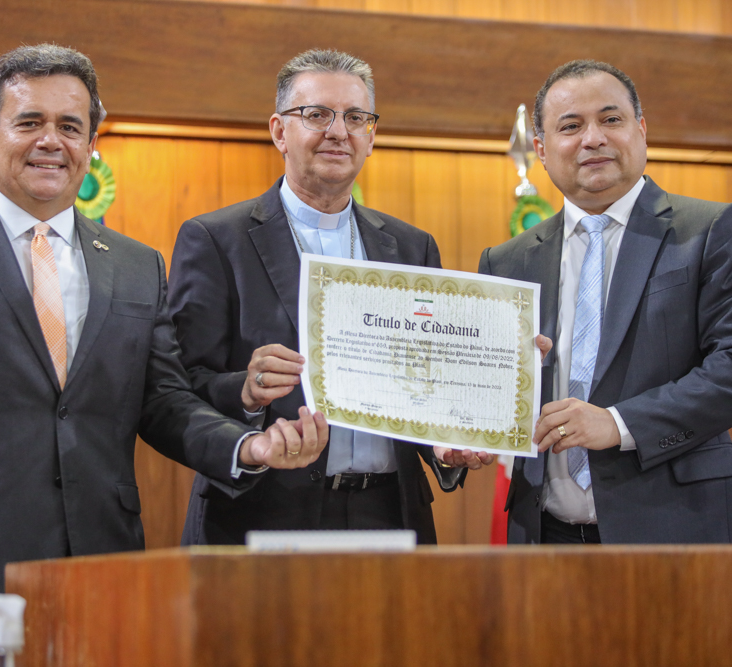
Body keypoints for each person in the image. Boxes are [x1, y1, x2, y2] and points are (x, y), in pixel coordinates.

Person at [0, 44, 327, 667]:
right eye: (30, 123)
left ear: (92, 142)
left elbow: (164, 400)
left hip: (106, 573)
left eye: (70, 126)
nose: (52, 141)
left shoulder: (137, 265)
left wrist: (247, 446)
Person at [169, 49, 546, 545]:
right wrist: (245, 390)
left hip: (390, 510)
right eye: (317, 114)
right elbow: (176, 387)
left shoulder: (412, 247)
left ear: (371, 136)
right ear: (280, 131)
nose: (338, 131)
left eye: (355, 117)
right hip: (261, 513)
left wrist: (456, 431)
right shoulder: (217, 240)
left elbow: (429, 381)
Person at [479, 59, 732, 544]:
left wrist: (617, 423)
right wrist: (460, 437)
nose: (592, 138)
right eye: (571, 126)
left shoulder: (711, 230)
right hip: (543, 538)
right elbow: (490, 388)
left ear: (641, 129)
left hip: (678, 528)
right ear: (541, 149)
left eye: (611, 119)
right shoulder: (506, 261)